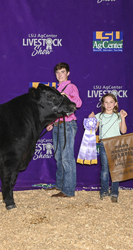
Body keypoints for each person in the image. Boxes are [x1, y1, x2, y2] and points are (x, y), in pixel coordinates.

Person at [46, 62, 82, 197]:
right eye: (57, 72)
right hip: (58, 125)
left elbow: (78, 103)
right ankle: (60, 184)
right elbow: (57, 111)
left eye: (62, 72)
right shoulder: (57, 89)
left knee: (67, 157)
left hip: (68, 125)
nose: (59, 75)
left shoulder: (71, 87)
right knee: (59, 156)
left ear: (68, 73)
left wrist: (67, 96)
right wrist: (51, 122)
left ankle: (68, 190)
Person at [89, 93, 127, 203]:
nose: (109, 104)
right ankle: (104, 192)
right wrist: (91, 121)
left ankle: (114, 192)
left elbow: (123, 131)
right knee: (105, 169)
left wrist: (123, 118)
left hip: (116, 143)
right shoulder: (98, 116)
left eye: (111, 102)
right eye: (106, 102)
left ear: (115, 104)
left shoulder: (118, 116)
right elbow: (93, 131)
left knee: (115, 170)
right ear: (103, 104)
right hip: (104, 144)